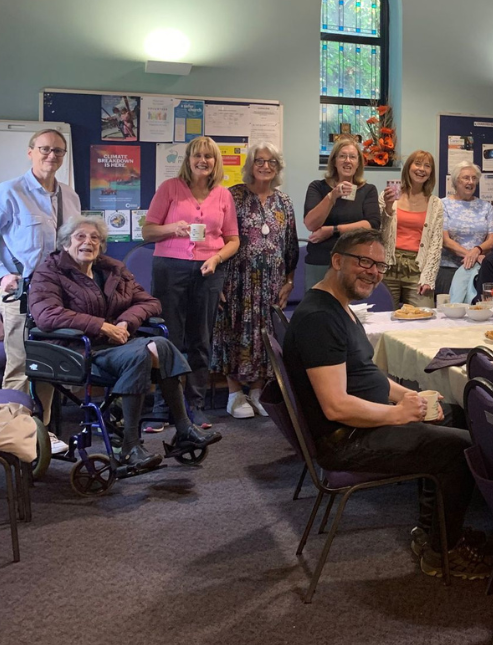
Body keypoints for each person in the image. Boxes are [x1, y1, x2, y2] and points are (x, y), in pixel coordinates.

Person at [283, 228, 490, 579]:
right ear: (336, 261)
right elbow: (336, 407)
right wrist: (397, 414)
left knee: (454, 414)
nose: (373, 272)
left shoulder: (338, 307)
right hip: (346, 440)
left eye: (379, 265)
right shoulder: (320, 319)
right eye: (364, 261)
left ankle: (433, 531)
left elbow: (365, 375)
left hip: (361, 425)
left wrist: (403, 396)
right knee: (462, 449)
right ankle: (444, 552)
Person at [28, 216, 221, 470]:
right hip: (76, 349)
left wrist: (124, 323)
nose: (88, 242)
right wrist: (100, 326)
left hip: (113, 344)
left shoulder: (113, 270)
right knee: (139, 355)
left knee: (161, 345)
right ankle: (130, 445)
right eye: (80, 236)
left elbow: (150, 302)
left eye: (95, 238)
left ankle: (184, 428)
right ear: (65, 243)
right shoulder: (49, 272)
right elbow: (47, 314)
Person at [0, 128, 81, 454]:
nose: (51, 156)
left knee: (46, 364)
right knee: (19, 367)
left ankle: (41, 433)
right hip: (20, 293)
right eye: (44, 149)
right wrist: (1, 276)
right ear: (30, 152)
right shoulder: (9, 192)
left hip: (57, 296)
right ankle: (15, 436)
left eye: (58, 151)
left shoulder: (70, 196)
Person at [142, 136, 240, 427]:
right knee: (166, 340)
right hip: (169, 269)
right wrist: (173, 228)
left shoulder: (223, 195)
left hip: (208, 271)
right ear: (188, 159)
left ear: (215, 162)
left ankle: (195, 404)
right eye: (197, 156)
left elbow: (233, 239)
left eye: (209, 157)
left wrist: (217, 258)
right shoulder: (170, 188)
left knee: (200, 339)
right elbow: (148, 231)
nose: (203, 161)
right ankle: (162, 406)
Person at [211, 142, 299, 420]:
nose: (265, 166)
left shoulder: (284, 202)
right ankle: (234, 394)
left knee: (264, 336)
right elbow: (215, 237)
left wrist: (289, 280)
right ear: (250, 166)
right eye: (260, 161)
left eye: (271, 162)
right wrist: (217, 281)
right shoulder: (231, 196)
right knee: (232, 332)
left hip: (271, 283)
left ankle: (259, 391)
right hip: (235, 281)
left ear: (278, 167)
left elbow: (291, 246)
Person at [303, 138, 381, 285]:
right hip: (321, 260)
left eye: (352, 157)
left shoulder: (368, 190)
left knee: (354, 308)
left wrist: (333, 230)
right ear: (334, 161)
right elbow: (311, 224)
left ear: (358, 163)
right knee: (319, 306)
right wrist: (332, 196)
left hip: (356, 262)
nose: (347, 161)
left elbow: (372, 224)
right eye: (342, 156)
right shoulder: (317, 187)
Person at [380, 150, 443, 309]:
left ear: (431, 173)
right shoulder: (388, 196)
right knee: (383, 316)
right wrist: (387, 209)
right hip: (389, 267)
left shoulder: (435, 204)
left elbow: (436, 243)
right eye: (418, 163)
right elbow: (379, 233)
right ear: (408, 167)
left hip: (418, 269)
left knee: (425, 316)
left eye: (427, 166)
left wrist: (428, 277)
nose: (421, 169)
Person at [436, 161, 493, 303]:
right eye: (466, 178)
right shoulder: (443, 204)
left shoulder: (486, 206)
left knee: (478, 312)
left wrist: (477, 250)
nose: (471, 182)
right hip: (449, 269)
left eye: (474, 178)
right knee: (450, 316)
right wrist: (472, 255)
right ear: (456, 181)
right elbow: (445, 240)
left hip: (479, 269)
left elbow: (492, 240)